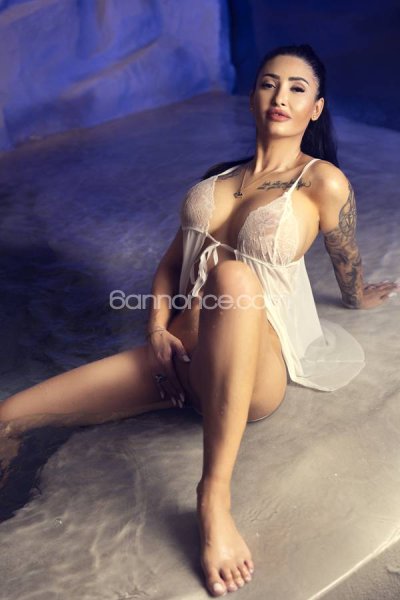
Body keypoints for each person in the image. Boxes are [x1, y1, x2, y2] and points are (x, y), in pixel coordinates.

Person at [0, 43, 398, 597]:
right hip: (177, 364)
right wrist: (156, 332)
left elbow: (344, 255)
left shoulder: (322, 182)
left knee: (233, 278)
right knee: (9, 416)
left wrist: (357, 295)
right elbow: (170, 264)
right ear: (253, 96)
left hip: (253, 371)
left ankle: (213, 498)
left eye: (297, 88)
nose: (280, 96)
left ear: (316, 108)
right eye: (268, 83)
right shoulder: (216, 182)